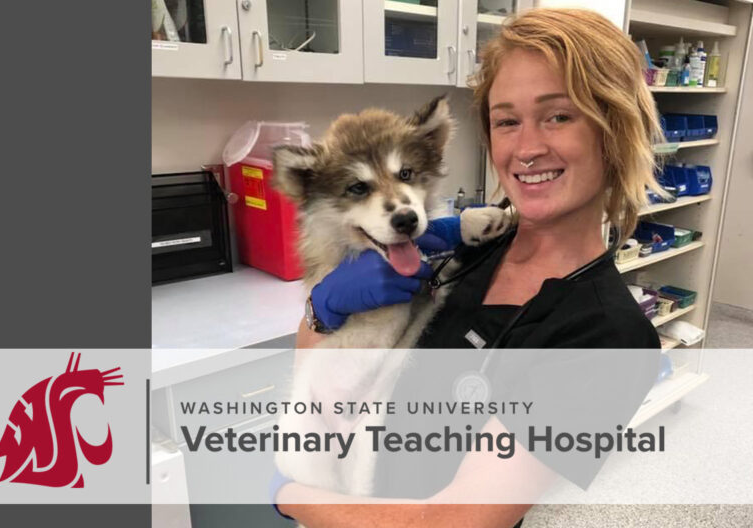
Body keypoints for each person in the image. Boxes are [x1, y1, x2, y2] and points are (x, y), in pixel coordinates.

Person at [276, 8, 664, 527]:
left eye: (558, 116)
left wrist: (290, 497)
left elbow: (455, 521)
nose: (526, 148)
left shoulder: (608, 336)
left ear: (614, 129)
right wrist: (323, 309)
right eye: (507, 120)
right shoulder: (470, 248)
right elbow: (318, 374)